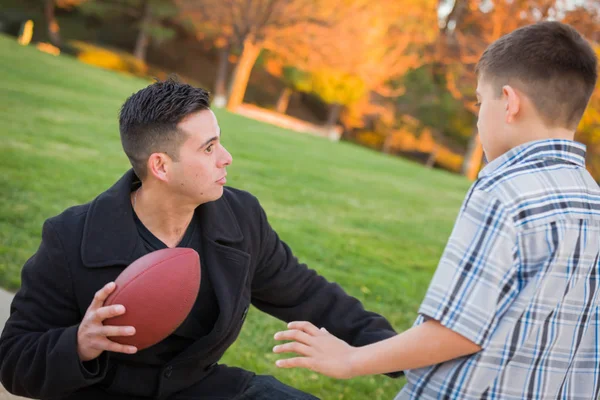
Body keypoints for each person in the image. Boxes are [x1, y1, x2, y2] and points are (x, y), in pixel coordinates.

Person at [0, 77, 400, 400]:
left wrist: (400, 352)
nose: (226, 157)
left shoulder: (240, 219)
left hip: (198, 388)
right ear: (160, 165)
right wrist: (79, 344)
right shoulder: (70, 237)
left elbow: (308, 294)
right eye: (209, 148)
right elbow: (14, 362)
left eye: (219, 141)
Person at [273, 21, 600, 400]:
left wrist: (351, 359)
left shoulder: (503, 192)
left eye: (481, 102)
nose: (479, 117)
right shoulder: (592, 200)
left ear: (509, 102)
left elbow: (456, 330)